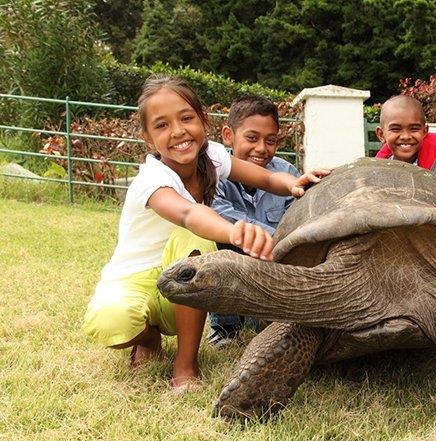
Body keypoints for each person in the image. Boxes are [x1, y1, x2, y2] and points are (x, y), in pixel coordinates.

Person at [82, 75, 328, 391]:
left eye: (186, 118)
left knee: (193, 243)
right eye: (162, 125)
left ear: (203, 121)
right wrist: (234, 231)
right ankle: (148, 335)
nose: (178, 131)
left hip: (182, 282)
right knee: (111, 321)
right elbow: (189, 212)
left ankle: (185, 364)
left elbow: (265, 179)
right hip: (136, 278)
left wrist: (293, 183)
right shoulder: (152, 179)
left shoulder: (211, 156)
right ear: (147, 138)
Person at [207, 95, 300, 348]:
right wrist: (267, 236)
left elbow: (297, 221)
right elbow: (219, 214)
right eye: (252, 138)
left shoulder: (287, 173)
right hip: (237, 252)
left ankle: (276, 318)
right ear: (228, 135)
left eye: (270, 141)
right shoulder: (212, 173)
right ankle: (225, 327)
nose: (261, 148)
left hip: (274, 262)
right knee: (221, 245)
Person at [374, 95, 436, 188]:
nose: (406, 136)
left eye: (414, 129)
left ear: (424, 131)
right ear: (381, 134)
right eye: (396, 129)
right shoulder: (382, 160)